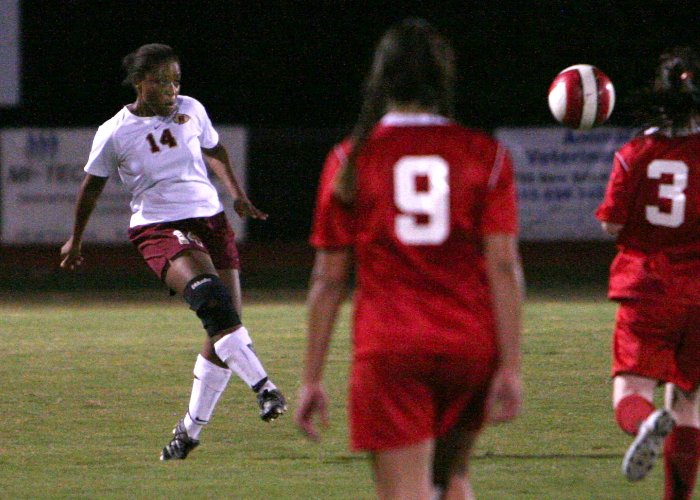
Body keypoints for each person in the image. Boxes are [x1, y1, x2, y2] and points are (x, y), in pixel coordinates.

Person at [294, 19, 524, 499]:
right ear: (443, 81)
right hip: (468, 346)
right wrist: (510, 364)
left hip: (391, 348)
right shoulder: (486, 155)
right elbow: (503, 268)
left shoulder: (350, 160)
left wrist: (312, 378)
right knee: (450, 481)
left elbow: (328, 281)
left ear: (380, 81)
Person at [59, 43, 287, 461]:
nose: (172, 89)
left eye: (176, 81)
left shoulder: (192, 109)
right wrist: (77, 238)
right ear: (139, 82)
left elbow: (214, 149)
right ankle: (265, 387)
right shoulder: (114, 131)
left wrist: (236, 193)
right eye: (162, 81)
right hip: (159, 226)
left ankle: (189, 433)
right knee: (210, 299)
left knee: (225, 327)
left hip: (211, 221)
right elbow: (91, 188)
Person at [596, 46, 700, 499]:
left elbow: (612, 224)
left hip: (648, 288)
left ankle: (645, 422)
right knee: (689, 404)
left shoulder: (635, 153)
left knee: (631, 391)